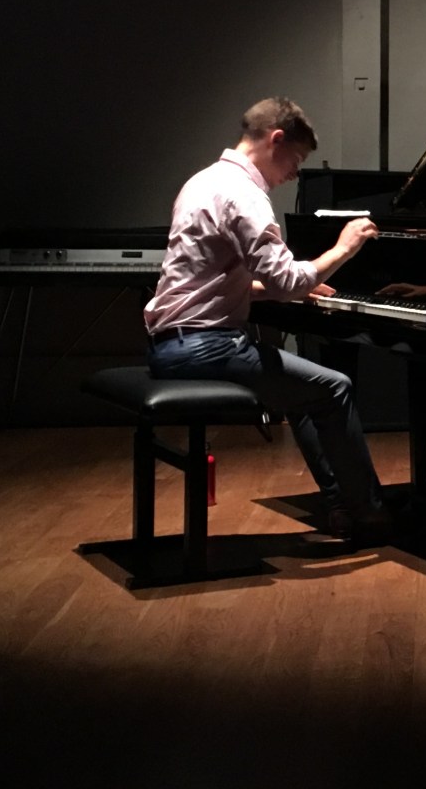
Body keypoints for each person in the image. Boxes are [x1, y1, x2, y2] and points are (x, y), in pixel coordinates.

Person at [143, 97, 388, 540]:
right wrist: (344, 248)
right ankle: (369, 513)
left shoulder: (202, 181)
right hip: (207, 347)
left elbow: (213, 282)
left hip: (168, 344)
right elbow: (287, 281)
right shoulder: (244, 194)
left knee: (303, 394)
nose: (294, 173)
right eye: (296, 159)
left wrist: (286, 286)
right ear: (277, 139)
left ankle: (340, 505)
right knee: (335, 387)